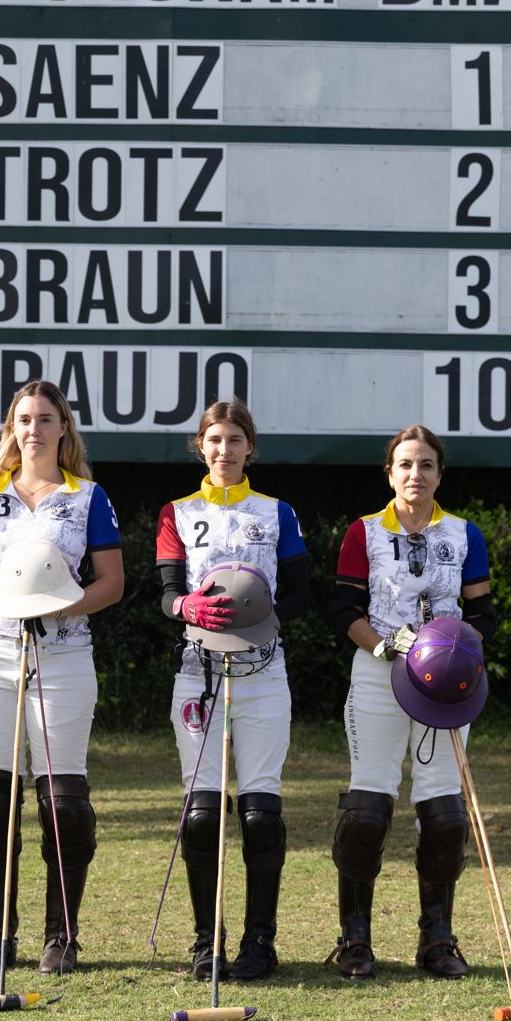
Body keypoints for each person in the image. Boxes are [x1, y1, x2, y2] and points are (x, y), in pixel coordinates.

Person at [0, 380, 124, 976]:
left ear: (64, 427)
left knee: (63, 804)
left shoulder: (87, 497)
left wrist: (64, 606)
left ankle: (61, 936)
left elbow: (112, 583)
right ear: (11, 428)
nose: (34, 429)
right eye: (24, 419)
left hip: (63, 657)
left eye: (46, 418)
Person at [325, 424, 497, 981]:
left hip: (445, 686)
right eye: (405, 464)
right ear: (390, 473)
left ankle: (437, 940)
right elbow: (344, 611)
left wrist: (455, 653)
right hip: (379, 675)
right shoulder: (364, 532)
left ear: (439, 474)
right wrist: (384, 647)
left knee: (444, 814)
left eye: (425, 464)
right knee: (367, 810)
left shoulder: (465, 534)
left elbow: (482, 613)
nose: (415, 474)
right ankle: (355, 940)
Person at [155, 400, 311, 982]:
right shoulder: (177, 511)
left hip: (263, 676)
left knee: (260, 815)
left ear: (251, 448)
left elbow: (301, 593)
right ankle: (207, 942)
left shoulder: (277, 512)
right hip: (198, 675)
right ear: (201, 446)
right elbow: (167, 592)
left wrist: (262, 616)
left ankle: (259, 942)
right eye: (215, 439)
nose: (225, 450)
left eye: (235, 439)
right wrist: (185, 607)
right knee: (201, 815)